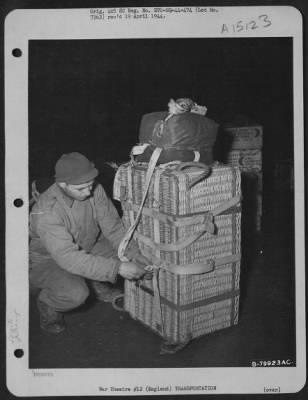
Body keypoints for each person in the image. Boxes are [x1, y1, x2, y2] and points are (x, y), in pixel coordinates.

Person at [29, 152, 147, 334]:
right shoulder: (46, 213)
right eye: (81, 189)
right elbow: (69, 259)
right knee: (75, 294)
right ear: (62, 184)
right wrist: (118, 268)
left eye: (90, 186)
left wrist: (133, 254)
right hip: (51, 260)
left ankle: (92, 280)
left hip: (89, 245)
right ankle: (48, 302)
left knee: (140, 256)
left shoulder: (94, 189)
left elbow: (113, 227)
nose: (88, 192)